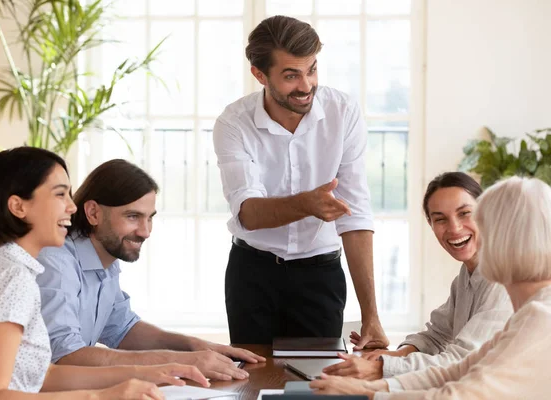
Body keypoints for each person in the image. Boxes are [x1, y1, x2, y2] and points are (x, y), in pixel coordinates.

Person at [0, 147, 209, 400]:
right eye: (60, 195)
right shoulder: (13, 279)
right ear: (18, 206)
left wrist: (149, 372)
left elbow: (42, 375)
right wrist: (101, 396)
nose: (73, 207)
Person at [212, 15, 388, 346]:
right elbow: (248, 213)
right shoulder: (233, 123)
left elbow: (356, 216)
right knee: (252, 379)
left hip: (320, 275)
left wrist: (371, 317)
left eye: (311, 70)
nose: (306, 86)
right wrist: (307, 204)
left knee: (316, 386)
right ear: (260, 74)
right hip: (252, 273)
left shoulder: (343, 113)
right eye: (291, 76)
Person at [311, 176, 551, 399]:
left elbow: (459, 394)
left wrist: (371, 392)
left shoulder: (541, 318)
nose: (458, 229)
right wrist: (372, 385)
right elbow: (456, 370)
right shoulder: (528, 313)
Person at [36, 159, 265, 381]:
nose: (145, 232)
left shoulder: (104, 254)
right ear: (93, 213)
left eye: (149, 218)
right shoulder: (56, 260)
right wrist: (179, 362)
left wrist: (194, 346)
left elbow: (122, 329)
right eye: (133, 216)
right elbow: (65, 356)